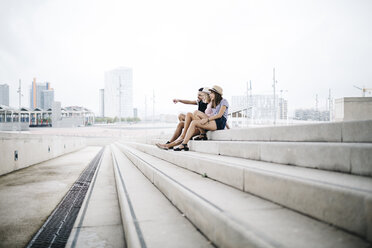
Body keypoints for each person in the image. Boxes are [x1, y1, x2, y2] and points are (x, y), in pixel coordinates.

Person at [174, 85, 229, 151]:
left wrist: (207, 119)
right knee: (194, 122)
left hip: (219, 122)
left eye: (211, 93)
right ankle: (184, 144)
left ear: (216, 94)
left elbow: (220, 115)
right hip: (213, 121)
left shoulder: (224, 101)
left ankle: (184, 140)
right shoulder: (214, 102)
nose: (210, 94)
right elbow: (190, 102)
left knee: (195, 114)